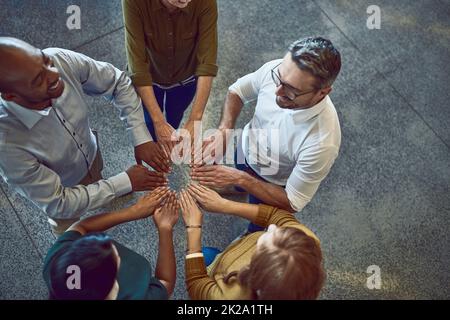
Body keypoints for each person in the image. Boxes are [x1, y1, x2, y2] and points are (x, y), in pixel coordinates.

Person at [0, 37, 170, 236]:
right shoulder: (7, 144)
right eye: (38, 80)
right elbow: (59, 203)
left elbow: (117, 82)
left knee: (97, 175)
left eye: (45, 61)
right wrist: (125, 182)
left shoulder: (59, 58)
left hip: (91, 152)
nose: (54, 74)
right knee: (69, 229)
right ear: (11, 96)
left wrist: (141, 137)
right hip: (62, 189)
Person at [191, 37, 342, 232]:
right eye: (279, 78)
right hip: (245, 148)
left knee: (259, 222)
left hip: (272, 181)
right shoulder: (279, 71)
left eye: (292, 91)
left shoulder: (323, 143)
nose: (277, 91)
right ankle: (236, 189)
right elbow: (237, 91)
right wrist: (224, 130)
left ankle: (249, 237)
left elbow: (292, 202)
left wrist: (241, 179)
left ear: (323, 92)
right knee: (240, 173)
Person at [179, 184, 325, 300]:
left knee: (204, 255)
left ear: (254, 271)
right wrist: (223, 205)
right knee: (207, 254)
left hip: (219, 274)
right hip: (228, 263)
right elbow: (276, 216)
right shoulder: (305, 240)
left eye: (265, 239)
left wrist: (193, 227)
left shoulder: (230, 297)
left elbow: (197, 285)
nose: (273, 227)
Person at [43, 187, 179, 300]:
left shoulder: (56, 261)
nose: (113, 247)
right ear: (111, 291)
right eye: (117, 260)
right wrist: (165, 228)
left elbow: (80, 228)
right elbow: (165, 284)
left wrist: (134, 211)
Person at [122, 0, 218, 155]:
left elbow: (207, 61)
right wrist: (159, 122)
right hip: (149, 80)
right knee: (150, 121)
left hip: (186, 79)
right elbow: (137, 65)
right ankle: (157, 142)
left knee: (176, 113)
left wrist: (195, 118)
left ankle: (169, 139)